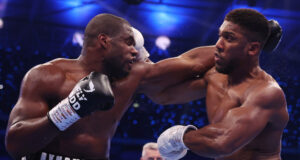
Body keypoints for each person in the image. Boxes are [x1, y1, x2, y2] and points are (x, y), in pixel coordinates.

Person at [5, 13, 216, 159]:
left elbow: (192, 62)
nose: (136, 52)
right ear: (105, 41)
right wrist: (70, 109)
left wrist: (232, 46)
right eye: (128, 43)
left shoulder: (133, 76)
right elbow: (15, 144)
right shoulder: (47, 75)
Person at [156, 8, 287, 160]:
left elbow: (221, 143)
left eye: (229, 38)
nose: (218, 45)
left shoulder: (267, 92)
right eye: (220, 36)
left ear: (253, 48)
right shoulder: (214, 77)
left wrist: (179, 137)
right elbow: (163, 95)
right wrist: (140, 67)